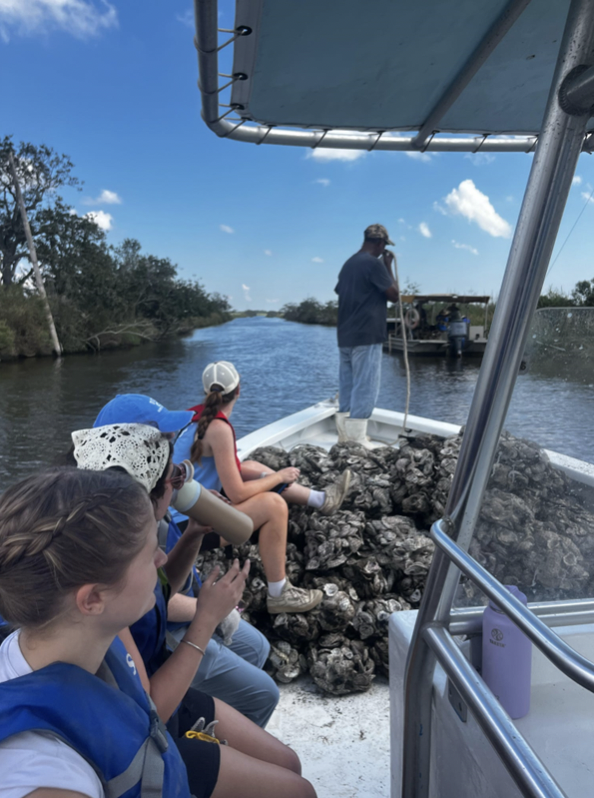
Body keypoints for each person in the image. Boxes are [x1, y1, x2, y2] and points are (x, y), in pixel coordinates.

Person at [0, 468, 317, 798]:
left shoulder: (80, 634)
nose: (162, 558)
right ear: (93, 598)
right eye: (149, 555)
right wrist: (205, 620)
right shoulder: (42, 770)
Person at [91, 393, 280, 728]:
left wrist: (193, 534)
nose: (173, 461)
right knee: (264, 693)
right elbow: (146, 706)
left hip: (162, 632)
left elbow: (160, 591)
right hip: (155, 665)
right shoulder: (120, 538)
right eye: (163, 444)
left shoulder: (150, 513)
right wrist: (206, 615)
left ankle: (211, 719)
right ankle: (198, 734)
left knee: (258, 649)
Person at [334, 223, 400, 445]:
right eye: (383, 247)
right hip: (366, 335)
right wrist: (388, 266)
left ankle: (345, 436)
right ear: (380, 244)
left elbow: (341, 290)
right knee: (365, 385)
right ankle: (356, 441)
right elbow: (394, 295)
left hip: (345, 336)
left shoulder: (348, 264)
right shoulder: (375, 264)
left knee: (347, 384)